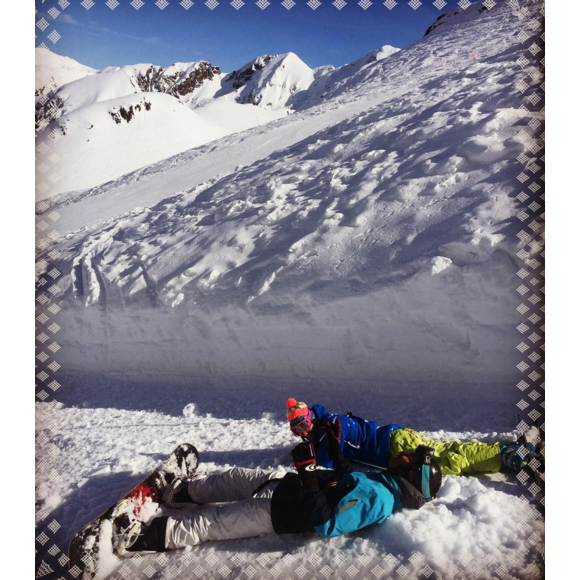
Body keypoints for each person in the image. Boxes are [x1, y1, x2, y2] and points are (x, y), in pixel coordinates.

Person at [111, 424, 442, 556]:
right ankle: (180, 493)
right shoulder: (381, 484)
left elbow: (326, 523)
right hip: (284, 484)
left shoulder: (378, 500)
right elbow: (345, 480)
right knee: (229, 478)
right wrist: (335, 449)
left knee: (212, 523)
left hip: (279, 511)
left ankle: (145, 537)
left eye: (410, 458)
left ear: (411, 473)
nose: (403, 455)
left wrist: (310, 475)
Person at [285, 399, 543, 477]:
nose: (303, 432)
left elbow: (334, 457)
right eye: (297, 429)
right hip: (397, 441)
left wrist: (315, 452)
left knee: (450, 459)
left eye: (304, 424)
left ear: (312, 418)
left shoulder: (333, 427)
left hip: (398, 446)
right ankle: (504, 450)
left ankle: (509, 455)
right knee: (450, 453)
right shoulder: (324, 429)